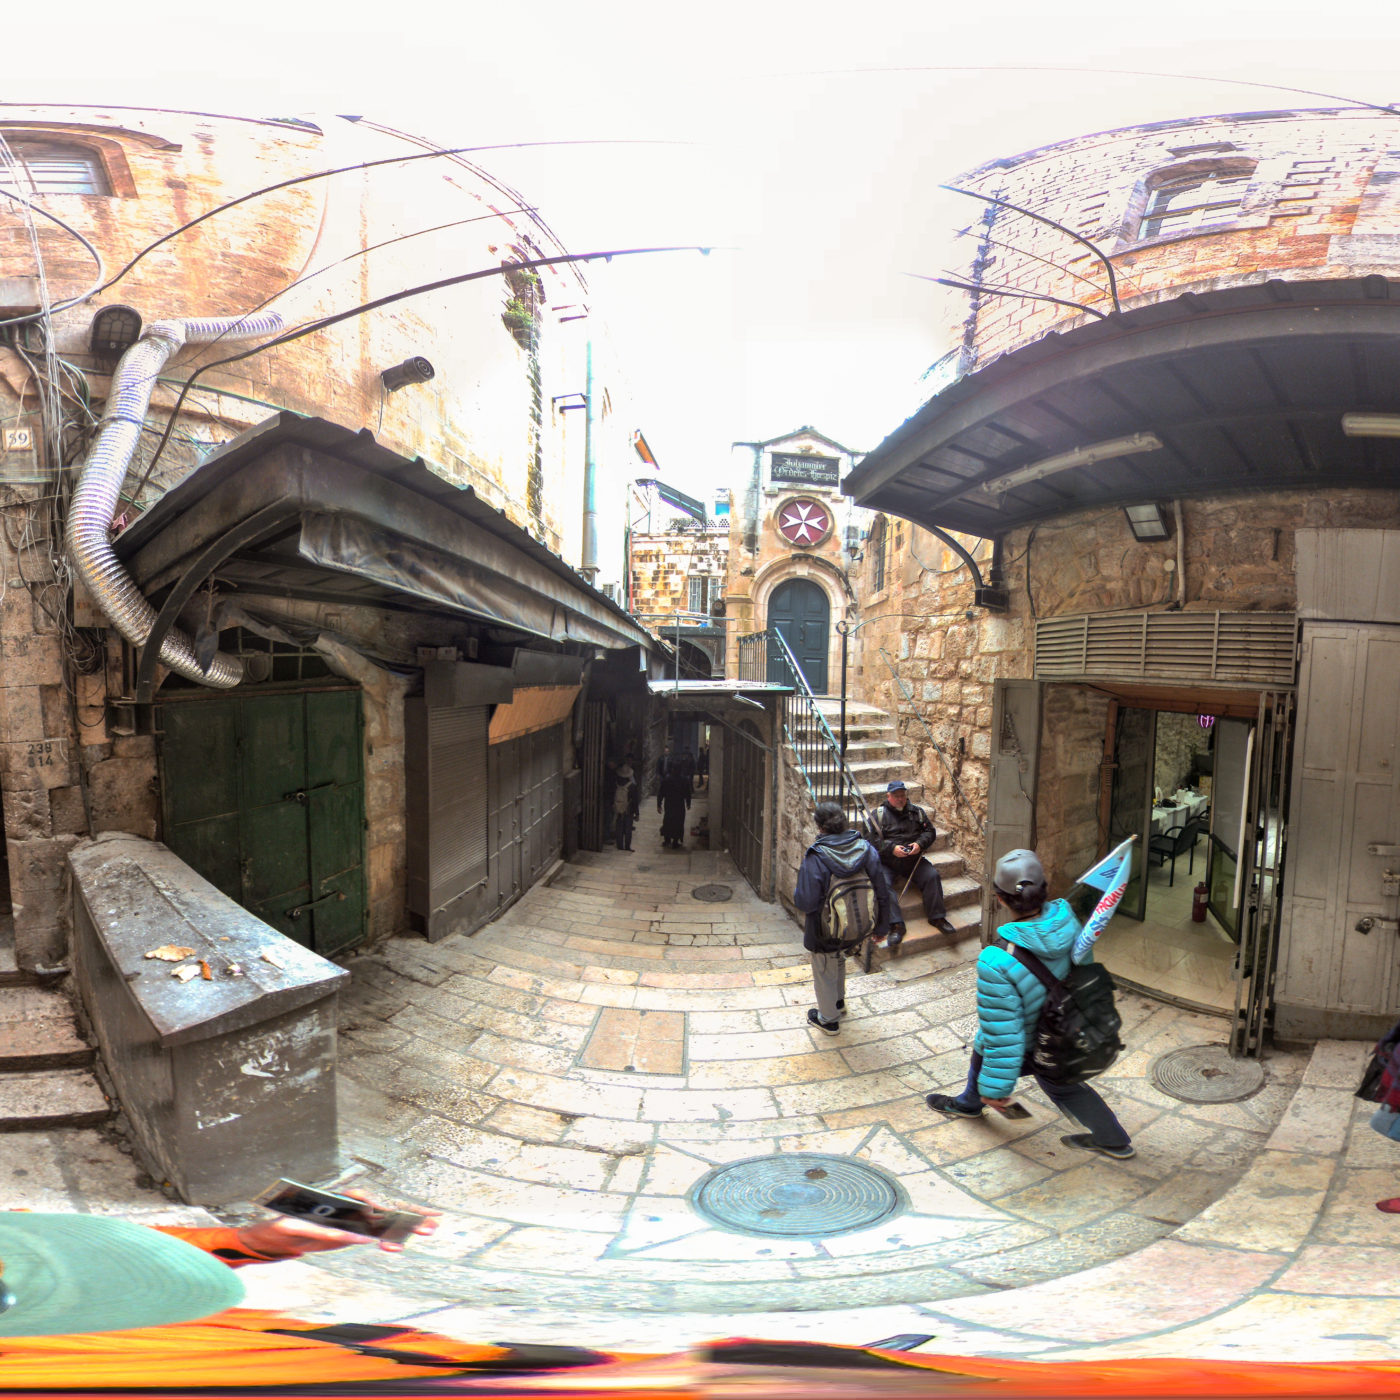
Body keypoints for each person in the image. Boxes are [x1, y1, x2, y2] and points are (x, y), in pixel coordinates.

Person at [924, 848, 1135, 1160]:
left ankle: (972, 1102)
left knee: (991, 1052)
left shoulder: (995, 959)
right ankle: (1112, 1139)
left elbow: (1004, 1035)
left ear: (1000, 898)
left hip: (1036, 1041)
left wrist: (996, 1091)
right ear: (1044, 889)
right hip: (1064, 1026)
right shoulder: (1068, 919)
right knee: (1060, 1084)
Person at [792, 801, 891, 1035]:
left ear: (819, 827)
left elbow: (806, 902)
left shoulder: (816, 856)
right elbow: (882, 890)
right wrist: (882, 926)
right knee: (838, 959)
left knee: (824, 966)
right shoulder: (866, 849)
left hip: (824, 929)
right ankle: (838, 1003)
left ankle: (829, 1020)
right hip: (857, 926)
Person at [871, 779, 954, 950]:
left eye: (902, 795)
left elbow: (930, 831)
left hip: (912, 859)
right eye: (896, 796)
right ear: (888, 796)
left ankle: (937, 917)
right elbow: (870, 839)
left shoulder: (917, 812)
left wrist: (919, 844)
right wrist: (891, 848)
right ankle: (896, 925)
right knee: (882, 884)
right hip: (888, 861)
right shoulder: (878, 815)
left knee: (932, 876)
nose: (900, 799)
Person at [657, 765, 692, 849]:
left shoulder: (667, 780)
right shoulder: (684, 780)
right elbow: (688, 793)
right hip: (679, 804)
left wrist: (659, 804)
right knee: (678, 821)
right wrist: (688, 803)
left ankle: (667, 839)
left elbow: (661, 792)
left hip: (669, 803)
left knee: (668, 820)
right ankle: (675, 841)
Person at [613, 763, 639, 851]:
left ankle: (619, 845)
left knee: (619, 827)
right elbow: (635, 801)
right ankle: (627, 846)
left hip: (619, 809)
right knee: (628, 828)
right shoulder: (632, 786)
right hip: (629, 809)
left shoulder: (616, 784)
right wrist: (637, 813)